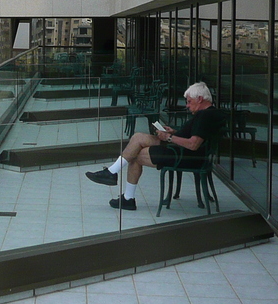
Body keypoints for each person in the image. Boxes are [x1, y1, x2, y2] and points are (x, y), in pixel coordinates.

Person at [86, 81, 224, 210]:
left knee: (135, 152)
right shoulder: (211, 113)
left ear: (200, 99)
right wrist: (174, 132)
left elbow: (193, 144)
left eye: (189, 102)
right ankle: (115, 179)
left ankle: (123, 190)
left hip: (184, 155)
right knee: (137, 139)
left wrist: (169, 137)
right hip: (182, 150)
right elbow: (194, 135)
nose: (187, 105)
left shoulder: (204, 116)